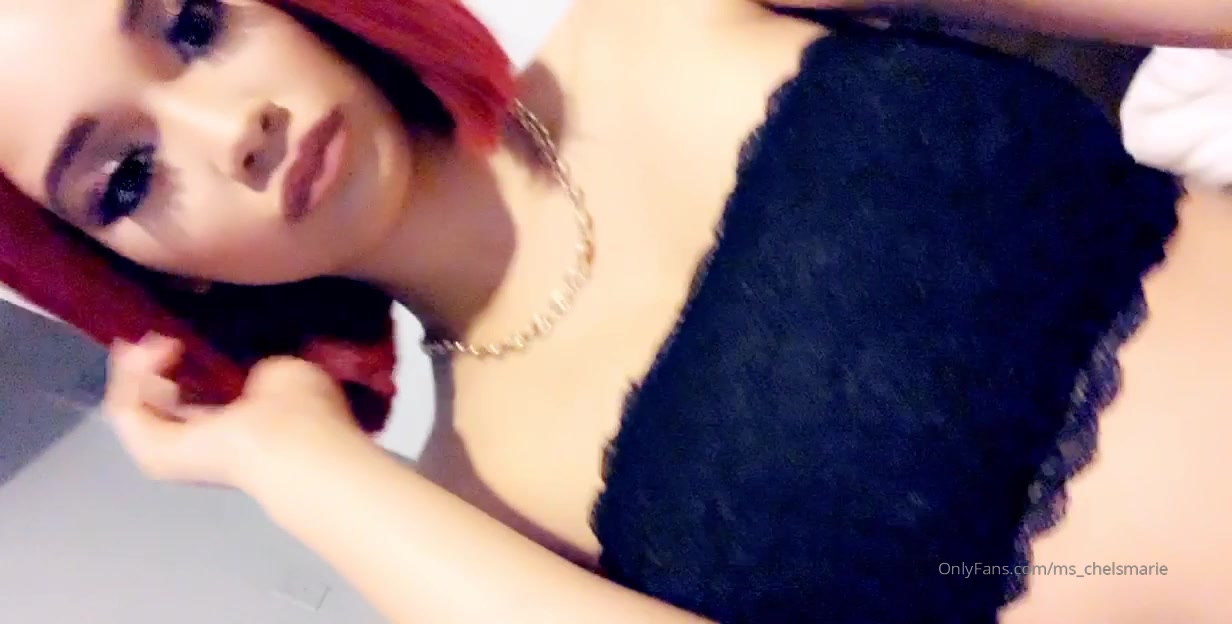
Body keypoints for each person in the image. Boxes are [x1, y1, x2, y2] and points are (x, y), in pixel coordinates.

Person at [0, 0, 1228, 622]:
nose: (234, 133)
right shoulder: (458, 519)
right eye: (126, 178)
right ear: (150, 274)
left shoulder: (665, 15)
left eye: (194, 21)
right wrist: (290, 463)